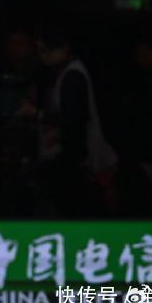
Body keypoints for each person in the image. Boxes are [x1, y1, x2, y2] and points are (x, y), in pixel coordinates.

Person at [37, 25, 119, 217]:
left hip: (77, 161)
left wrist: (38, 115)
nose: (43, 56)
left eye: (47, 50)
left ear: (64, 48)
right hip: (74, 159)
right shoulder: (65, 74)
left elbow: (73, 121)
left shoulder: (73, 76)